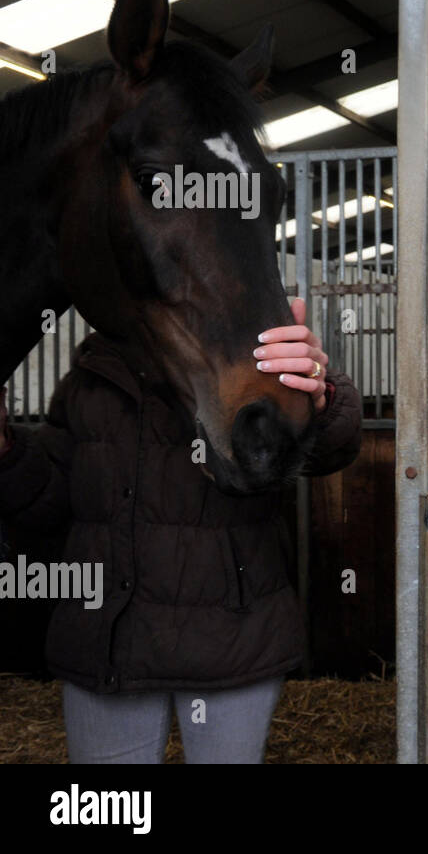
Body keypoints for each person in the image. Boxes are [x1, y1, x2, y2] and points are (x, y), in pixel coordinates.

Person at [0, 298, 361, 762]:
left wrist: (317, 397)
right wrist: (6, 448)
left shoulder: (245, 348)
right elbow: (49, 502)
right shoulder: (92, 373)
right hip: (108, 643)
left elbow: (333, 448)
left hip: (232, 641)